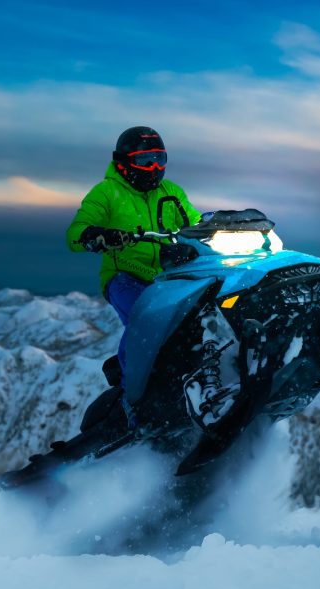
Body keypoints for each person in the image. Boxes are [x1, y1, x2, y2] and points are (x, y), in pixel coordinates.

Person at [66, 126, 201, 419]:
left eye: (159, 159)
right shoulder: (107, 193)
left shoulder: (171, 192)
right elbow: (75, 234)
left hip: (168, 277)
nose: (153, 168)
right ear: (123, 162)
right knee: (146, 316)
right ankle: (133, 400)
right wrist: (98, 235)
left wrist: (209, 232)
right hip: (125, 276)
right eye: (144, 160)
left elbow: (195, 222)